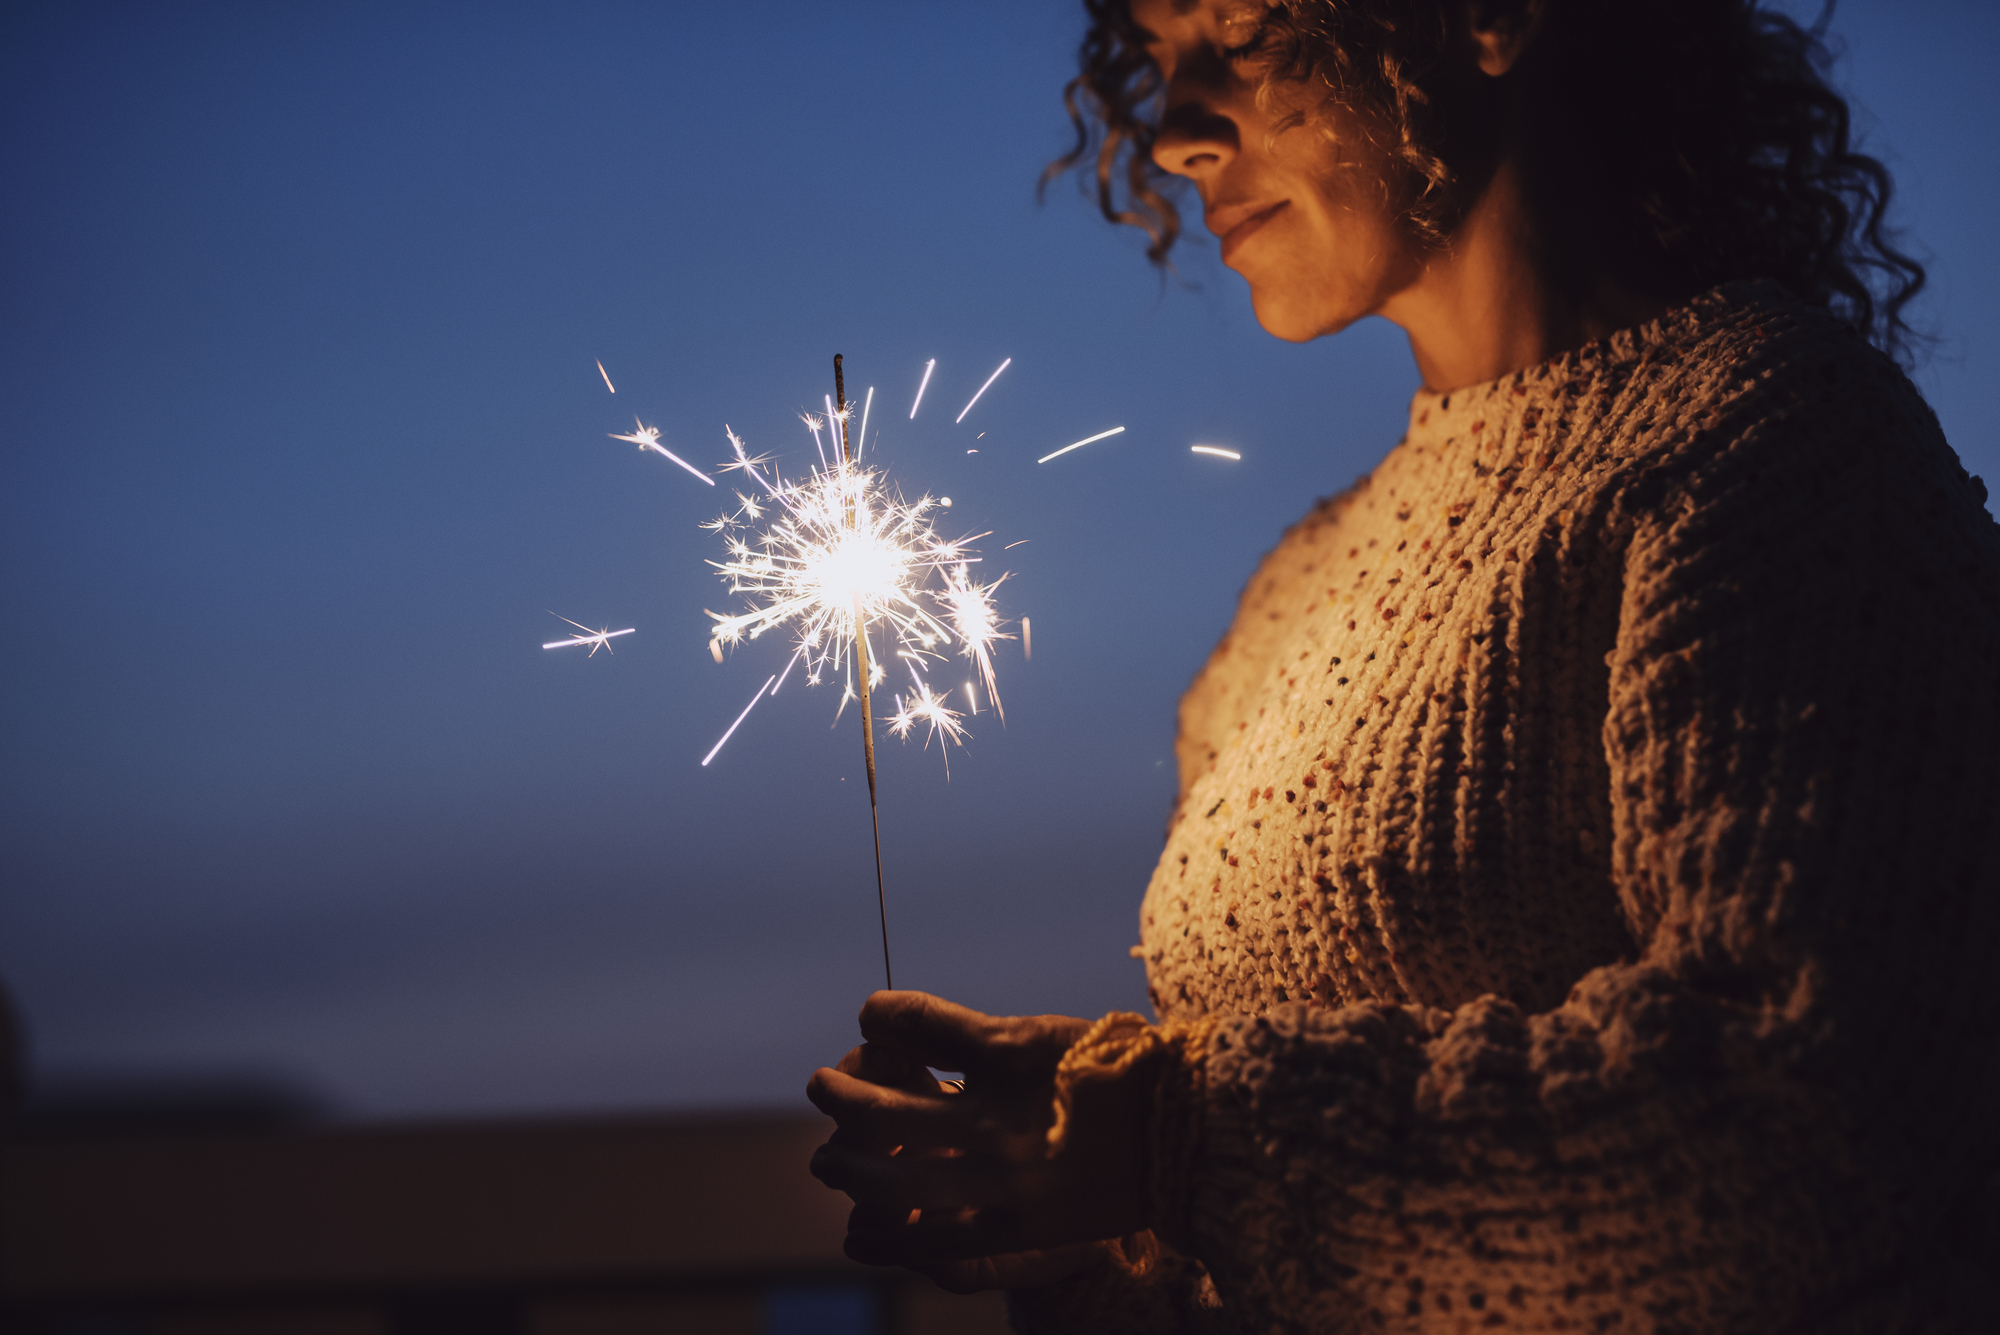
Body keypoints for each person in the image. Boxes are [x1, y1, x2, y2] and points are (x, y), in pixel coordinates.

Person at [808, 1, 2000, 1329]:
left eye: (1244, 33)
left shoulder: (1771, 453)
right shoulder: (1294, 595)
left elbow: (1810, 1108)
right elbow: (1321, 1241)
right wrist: (1091, 1227)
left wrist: (1162, 1143)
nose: (1176, 130)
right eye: (1154, 64)